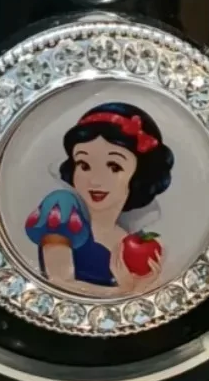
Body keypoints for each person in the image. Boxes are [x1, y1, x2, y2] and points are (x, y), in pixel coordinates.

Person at [24, 102, 174, 295]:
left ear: (139, 175)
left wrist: (147, 286)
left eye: (114, 167)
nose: (95, 180)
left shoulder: (134, 239)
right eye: (84, 165)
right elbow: (59, 283)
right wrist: (125, 292)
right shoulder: (62, 209)